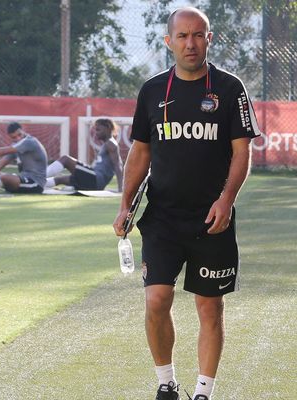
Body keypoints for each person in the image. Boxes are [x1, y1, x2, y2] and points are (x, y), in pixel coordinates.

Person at [112, 7, 260, 400]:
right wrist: (125, 205)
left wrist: (226, 201)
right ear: (168, 42)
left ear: (209, 39)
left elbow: (242, 152)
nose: (191, 43)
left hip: (213, 219)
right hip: (161, 217)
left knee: (209, 308)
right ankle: (166, 383)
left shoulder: (230, 89)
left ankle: (203, 392)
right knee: (157, 299)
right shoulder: (151, 91)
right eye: (182, 36)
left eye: (198, 35)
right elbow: (140, 153)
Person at [45, 118, 123, 192]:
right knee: (60, 179)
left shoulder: (111, 144)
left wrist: (121, 188)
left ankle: (39, 176)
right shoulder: (108, 144)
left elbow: (118, 166)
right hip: (94, 181)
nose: (96, 133)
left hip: (95, 179)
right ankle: (36, 184)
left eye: (98, 130)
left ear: (108, 129)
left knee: (66, 159)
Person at [0, 122, 47, 194]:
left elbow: (4, 151)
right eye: (14, 137)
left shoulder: (30, 142)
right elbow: (0, 164)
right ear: (9, 137)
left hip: (36, 184)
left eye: (19, 134)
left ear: (22, 130)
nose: (18, 138)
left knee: (4, 178)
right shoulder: (16, 146)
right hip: (23, 181)